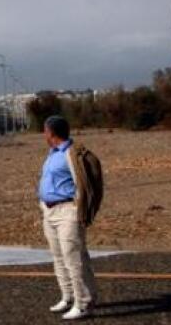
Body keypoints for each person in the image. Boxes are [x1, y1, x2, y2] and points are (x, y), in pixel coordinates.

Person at [39, 115, 99, 320]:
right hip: (49, 211)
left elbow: (83, 184)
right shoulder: (52, 153)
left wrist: (79, 210)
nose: (43, 134)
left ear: (52, 133)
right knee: (58, 256)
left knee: (74, 259)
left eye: (45, 131)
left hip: (67, 211)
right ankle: (68, 296)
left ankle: (83, 303)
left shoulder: (71, 154)